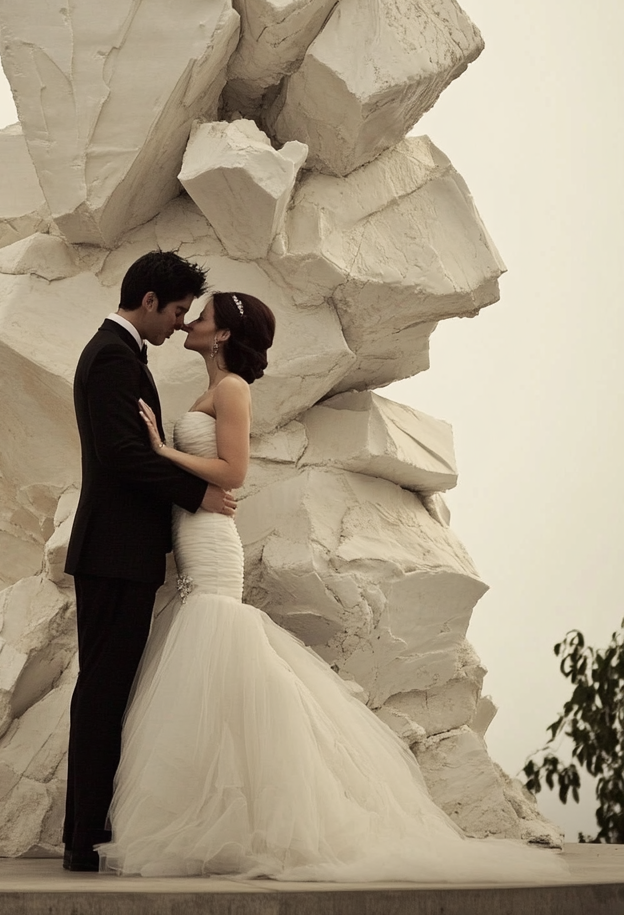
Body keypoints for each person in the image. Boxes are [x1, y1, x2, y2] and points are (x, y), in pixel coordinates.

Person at [97, 291, 567, 884]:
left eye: (203, 316)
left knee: (218, 651)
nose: (190, 321)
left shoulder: (233, 388)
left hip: (213, 542)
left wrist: (163, 451)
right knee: (214, 669)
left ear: (221, 337)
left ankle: (253, 820)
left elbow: (235, 472)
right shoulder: (210, 391)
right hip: (194, 530)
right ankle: (220, 817)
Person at [62, 251, 237, 872]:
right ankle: (84, 840)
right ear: (150, 302)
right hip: (114, 553)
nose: (178, 325)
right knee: (102, 695)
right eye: (177, 312)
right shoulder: (112, 355)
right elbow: (119, 456)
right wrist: (198, 494)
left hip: (118, 552)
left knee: (102, 692)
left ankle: (82, 835)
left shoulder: (120, 353)